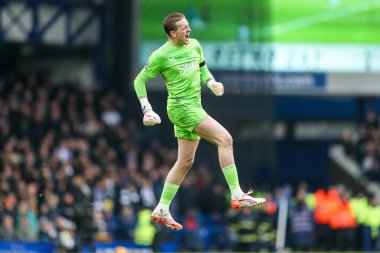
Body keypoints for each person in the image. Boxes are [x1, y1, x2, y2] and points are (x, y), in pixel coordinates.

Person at [133, 12, 265, 230]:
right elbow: (139, 80)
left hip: (194, 106)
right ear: (172, 32)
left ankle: (162, 207)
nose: (189, 30)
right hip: (181, 107)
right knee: (225, 139)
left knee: (185, 162)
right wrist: (146, 108)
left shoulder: (194, 45)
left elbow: (203, 69)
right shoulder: (160, 55)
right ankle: (236, 194)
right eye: (184, 27)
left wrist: (212, 82)